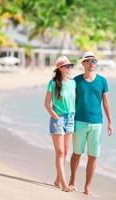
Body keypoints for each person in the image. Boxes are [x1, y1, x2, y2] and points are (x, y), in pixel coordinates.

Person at [69, 51, 113, 195]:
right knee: (76, 154)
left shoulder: (102, 81)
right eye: (88, 61)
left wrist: (110, 122)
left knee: (93, 156)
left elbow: (106, 103)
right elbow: (71, 102)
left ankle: (87, 187)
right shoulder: (76, 81)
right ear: (83, 63)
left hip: (97, 123)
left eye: (94, 61)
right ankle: (72, 181)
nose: (91, 63)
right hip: (79, 122)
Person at [44, 56, 75, 192]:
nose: (69, 68)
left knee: (65, 152)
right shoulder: (53, 83)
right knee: (60, 152)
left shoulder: (73, 83)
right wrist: (54, 115)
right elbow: (46, 104)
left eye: (70, 66)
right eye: (67, 66)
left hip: (71, 119)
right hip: (58, 119)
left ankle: (57, 180)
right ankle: (63, 183)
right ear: (60, 68)